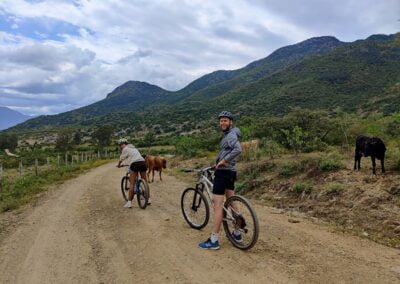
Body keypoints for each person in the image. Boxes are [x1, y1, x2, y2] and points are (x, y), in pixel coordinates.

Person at [199, 111, 242, 250]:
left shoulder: (230, 135)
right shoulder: (232, 134)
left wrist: (223, 161)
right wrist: (218, 162)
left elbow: (237, 149)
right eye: (221, 120)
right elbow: (229, 151)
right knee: (232, 202)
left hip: (223, 173)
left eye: (225, 120)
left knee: (217, 205)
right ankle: (237, 233)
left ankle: (214, 240)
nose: (222, 122)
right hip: (231, 172)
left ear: (231, 122)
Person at [116, 138, 150, 208]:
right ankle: (148, 199)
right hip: (142, 163)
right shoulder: (133, 148)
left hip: (135, 164)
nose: (120, 147)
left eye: (120, 145)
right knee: (145, 182)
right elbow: (132, 158)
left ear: (122, 144)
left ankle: (129, 203)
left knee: (132, 183)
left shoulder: (125, 149)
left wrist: (119, 165)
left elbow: (121, 159)